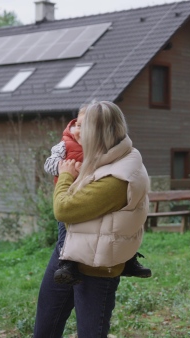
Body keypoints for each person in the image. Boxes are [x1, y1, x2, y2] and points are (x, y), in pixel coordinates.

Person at [34, 101, 150, 337]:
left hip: (97, 266)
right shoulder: (104, 157)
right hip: (69, 252)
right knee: (45, 330)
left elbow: (64, 209)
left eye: (83, 127)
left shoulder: (118, 176)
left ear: (99, 133)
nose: (76, 131)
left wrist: (65, 176)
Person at [43, 108, 151, 285]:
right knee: (64, 234)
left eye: (86, 127)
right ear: (72, 125)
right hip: (69, 190)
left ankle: (130, 259)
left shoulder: (106, 153)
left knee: (122, 230)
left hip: (92, 216)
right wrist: (67, 170)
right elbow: (49, 164)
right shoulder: (65, 144)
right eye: (78, 125)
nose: (80, 131)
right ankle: (66, 264)